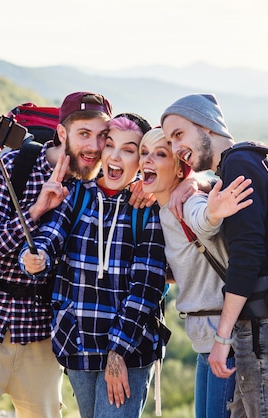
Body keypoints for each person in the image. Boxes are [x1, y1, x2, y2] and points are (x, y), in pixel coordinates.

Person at [0, 92, 115, 418]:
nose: (94, 146)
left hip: (41, 336)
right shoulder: (14, 167)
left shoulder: (99, 189)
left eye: (103, 136)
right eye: (84, 134)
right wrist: (34, 213)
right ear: (63, 133)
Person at [161, 94, 268, 418]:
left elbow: (247, 257)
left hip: (264, 327)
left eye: (178, 135)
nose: (176, 149)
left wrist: (221, 336)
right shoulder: (255, 158)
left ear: (206, 126)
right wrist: (200, 182)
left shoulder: (239, 165)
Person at [20, 114, 167, 418]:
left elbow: (147, 287)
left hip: (129, 351)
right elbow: (51, 234)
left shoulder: (147, 210)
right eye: (110, 144)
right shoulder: (78, 195)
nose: (114, 155)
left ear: (141, 159)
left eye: (128, 149)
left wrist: (118, 351)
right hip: (78, 343)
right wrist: (35, 258)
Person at [138, 127, 252, 418]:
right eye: (144, 153)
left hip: (225, 338)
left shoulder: (187, 201)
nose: (147, 161)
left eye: (160, 154)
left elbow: (204, 220)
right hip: (205, 340)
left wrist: (212, 211)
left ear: (179, 170)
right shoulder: (162, 210)